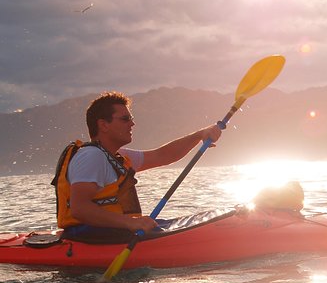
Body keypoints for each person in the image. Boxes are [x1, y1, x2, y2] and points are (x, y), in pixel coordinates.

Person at [52, 91, 222, 239]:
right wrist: (131, 223)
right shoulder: (91, 157)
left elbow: (163, 155)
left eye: (131, 118)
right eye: (125, 119)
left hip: (110, 233)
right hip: (91, 236)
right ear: (103, 125)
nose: (132, 124)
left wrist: (199, 135)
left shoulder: (116, 157)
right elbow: (80, 209)